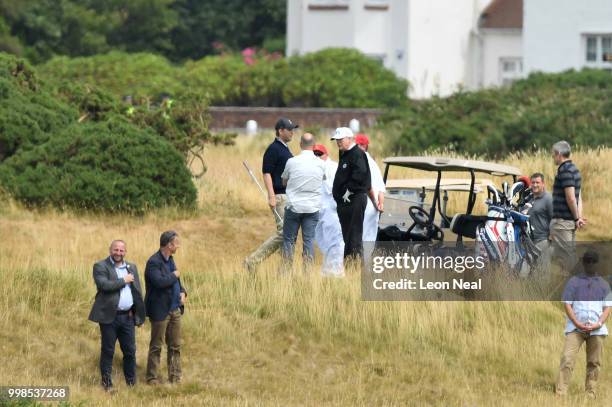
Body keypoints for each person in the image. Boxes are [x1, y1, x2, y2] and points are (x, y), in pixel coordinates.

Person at [88, 240, 145, 391]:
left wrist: (138, 313)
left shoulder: (131, 267)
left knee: (130, 351)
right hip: (109, 317)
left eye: (121, 250)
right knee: (108, 351)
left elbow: (137, 291)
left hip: (128, 317)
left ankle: (131, 383)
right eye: (116, 250)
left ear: (125, 251)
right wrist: (123, 280)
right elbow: (104, 285)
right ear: (110, 250)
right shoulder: (100, 266)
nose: (118, 253)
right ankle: (107, 384)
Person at [244, 118, 299, 272]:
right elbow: (267, 172)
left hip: (288, 196)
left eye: (293, 129)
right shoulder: (274, 149)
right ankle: (252, 261)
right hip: (279, 196)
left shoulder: (285, 149)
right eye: (289, 129)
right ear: (281, 131)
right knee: (285, 232)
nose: (292, 132)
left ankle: (285, 271)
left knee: (289, 235)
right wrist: (271, 195)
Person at [556, 250, 611, 397]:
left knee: (594, 362)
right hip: (575, 328)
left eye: (593, 261)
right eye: (587, 261)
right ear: (583, 263)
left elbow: (607, 308)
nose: (590, 264)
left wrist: (599, 323)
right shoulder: (573, 282)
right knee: (567, 358)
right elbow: (567, 304)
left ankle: (590, 393)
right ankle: (561, 393)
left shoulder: (604, 284)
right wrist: (576, 322)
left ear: (597, 263)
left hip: (597, 329)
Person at [145, 231, 187, 385]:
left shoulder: (171, 260)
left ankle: (175, 377)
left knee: (175, 345)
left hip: (175, 309)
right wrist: (174, 275)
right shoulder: (153, 262)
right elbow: (159, 282)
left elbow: (177, 282)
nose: (178, 246)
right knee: (156, 346)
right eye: (176, 243)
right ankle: (152, 378)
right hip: (160, 310)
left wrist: (183, 292)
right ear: (169, 245)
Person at [280, 133, 326, 272]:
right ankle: (308, 275)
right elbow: (322, 179)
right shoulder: (321, 163)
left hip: (294, 207)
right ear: (314, 146)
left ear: (300, 144)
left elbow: (284, 181)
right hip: (312, 209)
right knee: (309, 241)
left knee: (289, 241)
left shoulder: (291, 162)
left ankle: (285, 274)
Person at [331, 127, 375, 264]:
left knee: (354, 235)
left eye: (340, 139)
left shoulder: (357, 153)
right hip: (345, 201)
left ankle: (355, 266)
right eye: (336, 140)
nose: (338, 142)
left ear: (349, 139)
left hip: (354, 199)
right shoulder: (344, 153)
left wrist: (347, 191)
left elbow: (360, 175)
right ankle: (351, 265)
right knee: (348, 236)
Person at [550, 141, 585, 270]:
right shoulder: (575, 170)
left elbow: (571, 197)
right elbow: (578, 198)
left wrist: (577, 218)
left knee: (565, 260)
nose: (553, 158)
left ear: (559, 154)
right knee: (570, 256)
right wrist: (578, 217)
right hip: (570, 221)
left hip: (562, 222)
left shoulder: (564, 170)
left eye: (553, 155)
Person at [313, 144, 345, 277]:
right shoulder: (312, 168)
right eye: (315, 154)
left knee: (335, 241)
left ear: (326, 154)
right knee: (320, 241)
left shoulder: (333, 167)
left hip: (332, 211)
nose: (317, 157)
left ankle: (336, 272)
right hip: (318, 211)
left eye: (319, 154)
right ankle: (327, 270)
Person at [355, 134, 385, 262]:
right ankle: (364, 266)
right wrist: (380, 204)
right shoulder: (373, 163)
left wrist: (374, 202)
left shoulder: (358, 160)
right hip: (373, 208)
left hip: (365, 204)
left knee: (358, 238)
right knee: (369, 238)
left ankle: (357, 267)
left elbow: (367, 186)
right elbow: (381, 188)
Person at [526, 172, 553, 271]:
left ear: (543, 184)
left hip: (542, 241)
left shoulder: (548, 199)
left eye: (537, 182)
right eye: (533, 182)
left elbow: (555, 219)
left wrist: (551, 238)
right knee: (529, 272)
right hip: (529, 242)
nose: (535, 185)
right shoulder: (529, 199)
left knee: (542, 274)